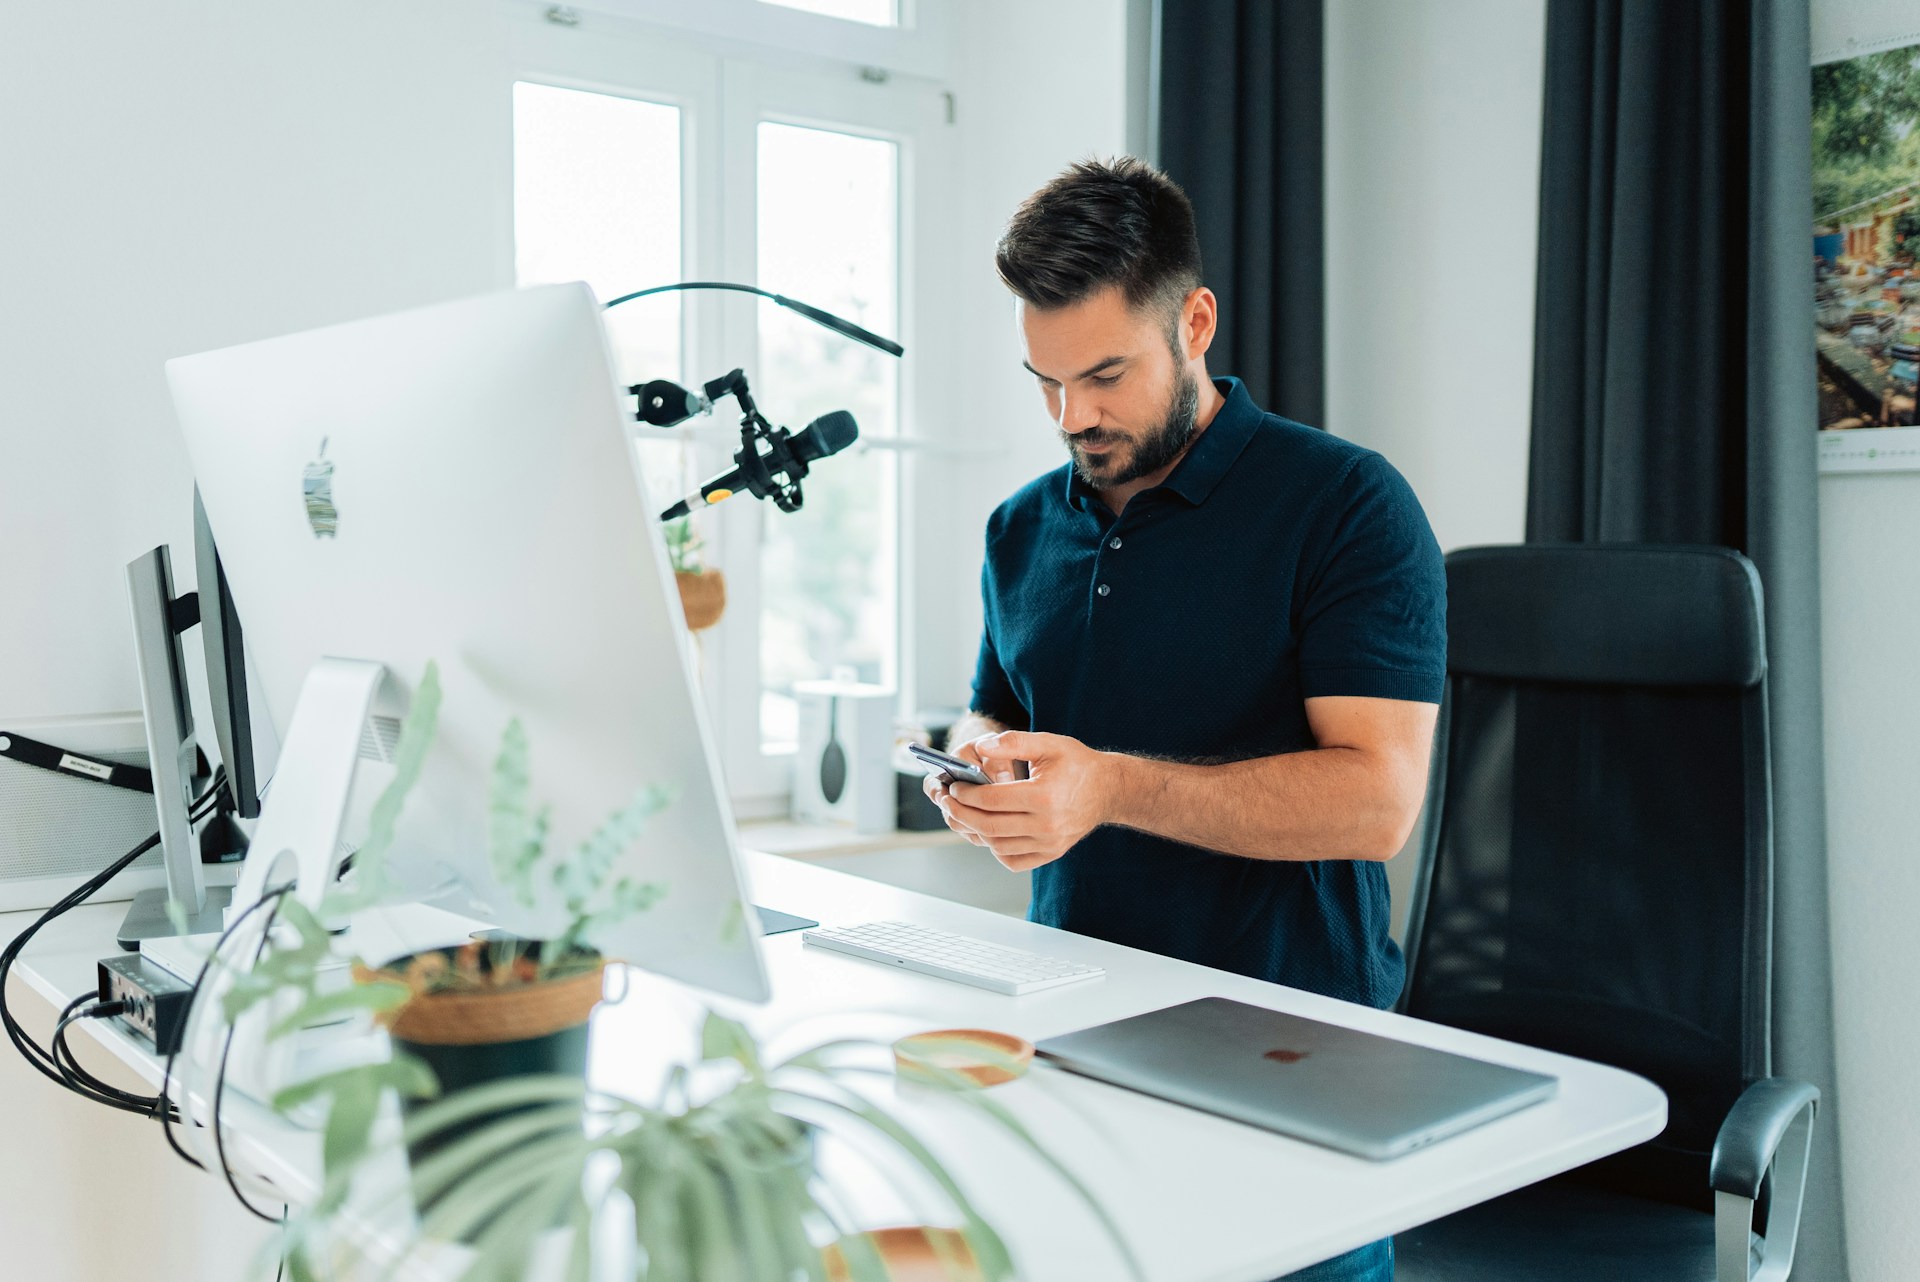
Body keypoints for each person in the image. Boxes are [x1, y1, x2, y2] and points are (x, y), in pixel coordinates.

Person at [925, 157, 1446, 1282]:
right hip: (1072, 1038)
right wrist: (975, 765)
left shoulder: (1346, 505)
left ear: (1194, 320)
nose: (1075, 417)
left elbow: (1378, 801)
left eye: (1105, 374)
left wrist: (1107, 786)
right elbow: (1000, 709)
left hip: (1293, 1058)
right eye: (1046, 382)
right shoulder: (1019, 528)